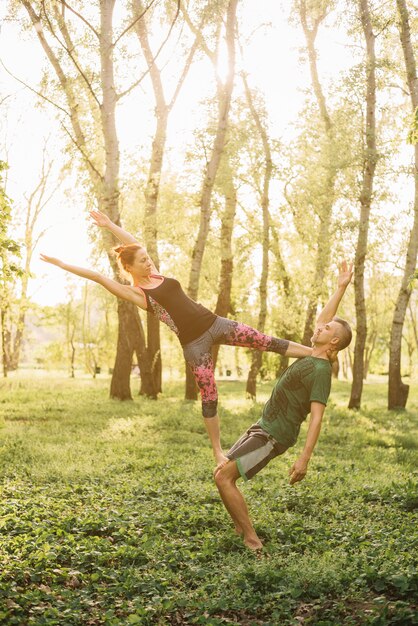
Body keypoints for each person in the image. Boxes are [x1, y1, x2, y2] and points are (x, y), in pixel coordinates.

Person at [40, 210, 313, 465]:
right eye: (143, 260)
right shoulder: (137, 293)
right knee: (209, 395)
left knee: (263, 340)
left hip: (214, 323)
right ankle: (218, 451)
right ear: (131, 268)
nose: (149, 262)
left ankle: (313, 353)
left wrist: (109, 225)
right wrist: (61, 263)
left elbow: (133, 242)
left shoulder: (155, 273)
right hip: (194, 345)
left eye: (148, 258)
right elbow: (98, 276)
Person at [213, 261, 353, 552]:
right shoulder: (312, 354)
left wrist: (304, 459)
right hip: (262, 426)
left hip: (274, 435)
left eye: (327, 328)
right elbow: (324, 318)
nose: (321, 326)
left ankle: (252, 539)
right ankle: (240, 525)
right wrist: (340, 287)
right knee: (221, 473)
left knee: (225, 478)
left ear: (334, 341)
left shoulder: (321, 371)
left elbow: (316, 419)